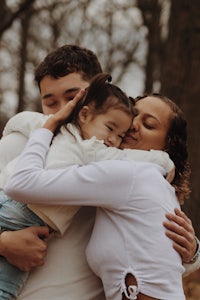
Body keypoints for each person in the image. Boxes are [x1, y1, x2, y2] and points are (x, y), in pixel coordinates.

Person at [0, 45, 199, 299]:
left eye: (73, 95)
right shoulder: (23, 145)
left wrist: (192, 250)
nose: (65, 108)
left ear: (96, 95)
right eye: (51, 102)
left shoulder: (128, 169)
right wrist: (3, 243)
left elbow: (153, 260)